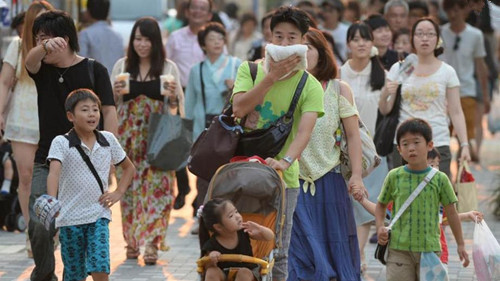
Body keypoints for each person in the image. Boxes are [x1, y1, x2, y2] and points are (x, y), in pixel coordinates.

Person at [231, 6, 324, 281]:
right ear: (269, 38)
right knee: (239, 240)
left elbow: (304, 132)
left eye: (291, 38)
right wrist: (270, 78)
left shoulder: (310, 85)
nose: (284, 44)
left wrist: (285, 162)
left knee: (278, 248)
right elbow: (239, 107)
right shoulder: (249, 69)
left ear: (303, 42)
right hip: (242, 170)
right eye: (278, 37)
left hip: (284, 177)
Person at [25, 10, 118, 280]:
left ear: (64, 39)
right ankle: (44, 275)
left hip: (87, 164)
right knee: (41, 223)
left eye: (47, 38)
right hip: (47, 160)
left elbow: (110, 112)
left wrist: (110, 156)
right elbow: (30, 62)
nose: (41, 45)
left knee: (86, 227)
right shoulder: (41, 69)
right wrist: (42, 46)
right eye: (37, 39)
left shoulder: (94, 69)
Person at [288, 28, 364, 281]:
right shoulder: (284, 87)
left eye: (308, 48)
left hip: (330, 180)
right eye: (297, 48)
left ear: (321, 53)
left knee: (336, 247)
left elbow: (353, 136)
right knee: (300, 251)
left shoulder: (338, 89)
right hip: (293, 180)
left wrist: (357, 176)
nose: (303, 53)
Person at [111, 16, 184, 265]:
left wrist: (173, 98)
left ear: (156, 42)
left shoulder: (168, 68)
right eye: (137, 39)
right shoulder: (121, 66)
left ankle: (152, 243)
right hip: (127, 139)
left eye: (147, 39)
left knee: (161, 191)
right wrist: (115, 93)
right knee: (129, 190)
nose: (142, 44)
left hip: (158, 137)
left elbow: (176, 109)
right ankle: (131, 241)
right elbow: (110, 105)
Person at [46, 89, 135, 281]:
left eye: (95, 109)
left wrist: (118, 192)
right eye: (85, 110)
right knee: (74, 274)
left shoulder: (108, 140)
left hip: (98, 215)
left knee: (100, 267)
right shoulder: (61, 142)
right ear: (71, 116)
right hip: (69, 218)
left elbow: (129, 168)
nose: (92, 114)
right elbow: (54, 173)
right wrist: (52, 201)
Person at [375, 118, 469, 281]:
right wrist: (379, 227)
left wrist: (460, 243)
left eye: (416, 142)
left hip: (430, 250)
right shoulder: (394, 176)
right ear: (399, 149)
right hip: (399, 251)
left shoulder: (440, 179)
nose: (411, 148)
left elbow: (452, 214)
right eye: (405, 144)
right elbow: (381, 205)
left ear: (430, 145)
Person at [379, 17, 471, 177]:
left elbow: (456, 112)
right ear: (413, 38)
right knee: (404, 198)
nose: (425, 38)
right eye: (420, 34)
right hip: (404, 143)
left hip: (437, 142)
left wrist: (464, 144)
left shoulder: (447, 72)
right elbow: (385, 109)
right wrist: (386, 92)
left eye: (430, 34)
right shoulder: (400, 68)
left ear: (438, 39)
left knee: (437, 198)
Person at [0, 0, 53, 235]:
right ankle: (33, 233)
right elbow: (4, 82)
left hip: (52, 117)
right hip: (23, 117)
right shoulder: (18, 46)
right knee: (26, 176)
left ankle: (50, 228)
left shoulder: (59, 46)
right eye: (38, 19)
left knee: (53, 174)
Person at [339, 22, 388, 275]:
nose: (360, 43)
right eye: (355, 39)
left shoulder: (382, 74)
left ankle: (358, 255)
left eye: (365, 39)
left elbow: (387, 112)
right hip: (343, 150)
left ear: (372, 43)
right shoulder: (339, 73)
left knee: (366, 203)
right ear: (348, 44)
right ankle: (353, 254)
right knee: (349, 204)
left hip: (374, 151)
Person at [185, 22, 240, 213]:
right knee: (203, 174)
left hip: (230, 131)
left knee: (229, 175)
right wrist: (189, 133)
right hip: (204, 128)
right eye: (211, 39)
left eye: (220, 38)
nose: (216, 42)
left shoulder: (236, 65)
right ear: (203, 45)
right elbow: (189, 103)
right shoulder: (196, 69)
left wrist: (233, 87)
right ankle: (203, 215)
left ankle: (228, 216)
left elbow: (246, 96)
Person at [166, 0, 213, 215]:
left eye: (203, 9)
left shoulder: (213, 38)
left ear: (209, 14)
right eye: (194, 7)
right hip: (179, 93)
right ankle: (183, 187)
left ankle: (199, 196)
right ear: (187, 11)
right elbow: (166, 66)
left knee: (202, 148)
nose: (197, 12)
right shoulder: (176, 37)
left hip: (205, 98)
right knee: (177, 145)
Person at [441, 0, 489, 162]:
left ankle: (461, 176)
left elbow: (480, 67)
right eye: (450, 10)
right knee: (442, 135)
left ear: (465, 11)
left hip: (467, 91)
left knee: (465, 138)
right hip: (443, 92)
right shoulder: (440, 33)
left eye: (457, 10)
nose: (454, 14)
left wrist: (485, 96)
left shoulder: (475, 35)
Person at [199, 198, 274, 281]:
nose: (237, 217)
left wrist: (260, 229)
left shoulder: (245, 231)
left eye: (236, 212)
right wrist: (212, 258)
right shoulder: (212, 244)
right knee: (211, 271)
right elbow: (207, 266)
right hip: (224, 274)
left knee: (243, 273)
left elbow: (270, 237)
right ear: (218, 227)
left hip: (248, 272)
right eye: (231, 216)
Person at [78, 0, 124, 76]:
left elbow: (81, 63)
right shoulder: (118, 36)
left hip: (95, 84)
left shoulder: (85, 34)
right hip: (115, 83)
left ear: (88, 12)